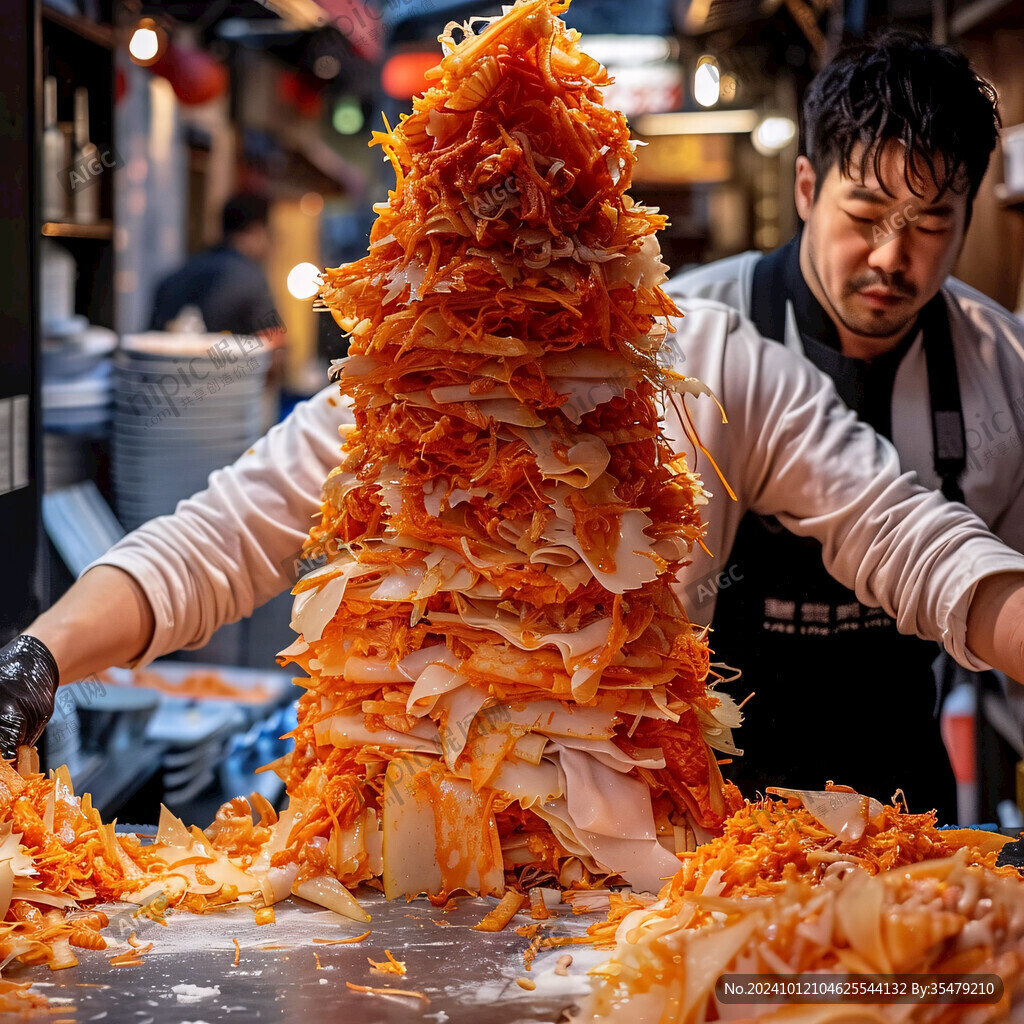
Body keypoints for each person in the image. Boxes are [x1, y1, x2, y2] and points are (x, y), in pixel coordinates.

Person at [3, 297, 1024, 820]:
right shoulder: (404, 378)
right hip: (410, 843)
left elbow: (897, 527)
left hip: (640, 855)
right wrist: (41, 655)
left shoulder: (704, 364)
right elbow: (215, 542)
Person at [664, 31, 1024, 822]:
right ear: (805, 187)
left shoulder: (1002, 368)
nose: (894, 258)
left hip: (902, 798)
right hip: (708, 806)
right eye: (865, 214)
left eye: (931, 225)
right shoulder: (691, 344)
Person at [150, 193, 280, 339]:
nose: (271, 244)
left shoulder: (173, 277)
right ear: (256, 231)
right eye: (270, 234)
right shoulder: (252, 280)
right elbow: (272, 343)